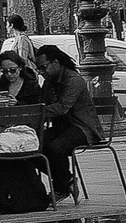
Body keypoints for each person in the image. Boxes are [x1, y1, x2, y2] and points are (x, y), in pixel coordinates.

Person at [33, 43, 103, 201]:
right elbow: (43, 102)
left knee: (55, 149)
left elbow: (62, 107)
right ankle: (67, 181)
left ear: (56, 63)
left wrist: (38, 113)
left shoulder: (73, 80)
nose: (41, 72)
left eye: (43, 67)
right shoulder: (50, 81)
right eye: (39, 69)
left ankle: (61, 187)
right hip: (62, 127)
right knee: (32, 146)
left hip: (83, 127)